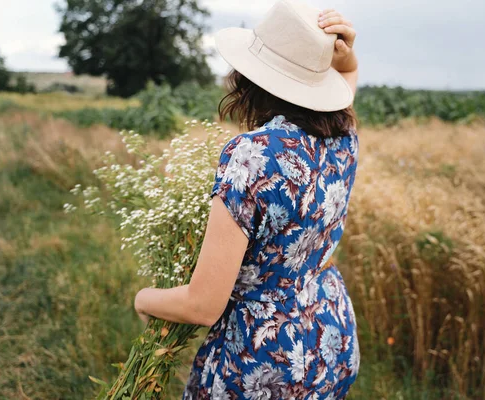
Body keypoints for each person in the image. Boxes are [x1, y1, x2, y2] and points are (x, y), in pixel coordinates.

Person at [133, 0, 361, 398]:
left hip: (263, 362)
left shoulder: (251, 155)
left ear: (250, 78)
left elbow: (204, 305)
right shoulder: (343, 135)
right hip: (329, 337)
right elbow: (347, 83)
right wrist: (345, 57)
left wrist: (144, 298)